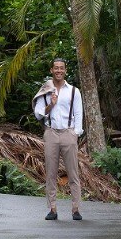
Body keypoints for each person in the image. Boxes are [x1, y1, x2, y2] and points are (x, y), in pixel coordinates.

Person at [33, 57, 84, 221]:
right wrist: (51, 105)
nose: (59, 71)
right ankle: (52, 209)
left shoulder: (74, 91)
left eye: (61, 68)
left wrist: (75, 133)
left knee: (73, 173)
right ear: (51, 70)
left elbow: (78, 113)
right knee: (51, 173)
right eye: (56, 68)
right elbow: (39, 113)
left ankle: (75, 209)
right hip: (51, 133)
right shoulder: (45, 90)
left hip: (68, 133)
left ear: (65, 70)